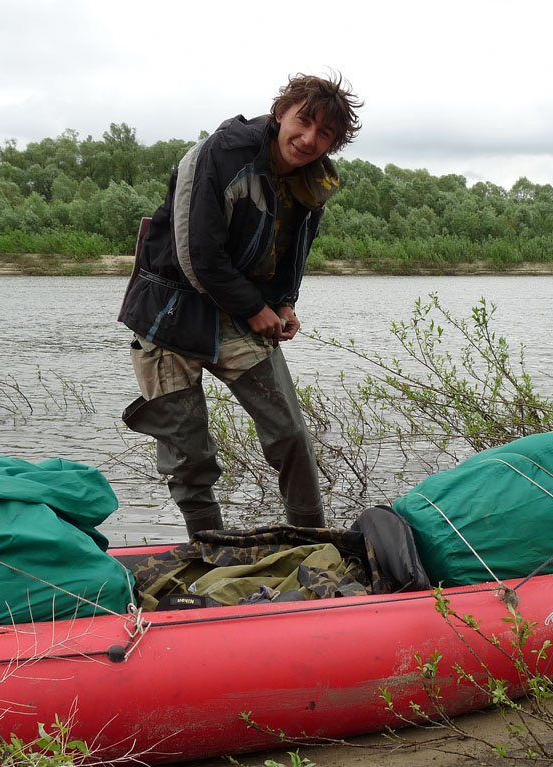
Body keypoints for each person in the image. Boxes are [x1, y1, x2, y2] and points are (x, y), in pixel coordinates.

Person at [118, 72, 362, 536]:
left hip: (234, 312)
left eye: (324, 134)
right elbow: (198, 255)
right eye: (303, 121)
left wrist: (284, 302)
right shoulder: (223, 153)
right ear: (280, 113)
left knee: (291, 435)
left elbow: (293, 250)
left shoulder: (314, 181)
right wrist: (255, 309)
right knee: (189, 456)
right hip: (168, 315)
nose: (309, 139)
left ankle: (313, 543)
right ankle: (210, 549)